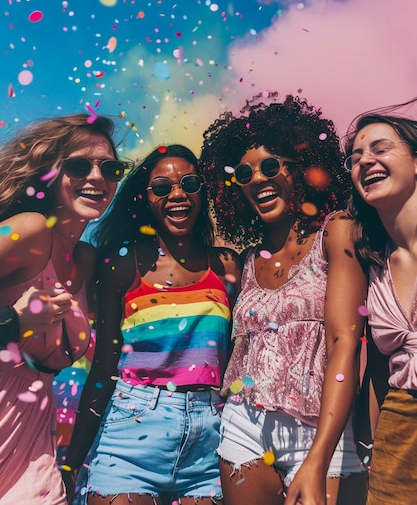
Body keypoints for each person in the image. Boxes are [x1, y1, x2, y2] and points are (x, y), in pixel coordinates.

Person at [199, 92, 368, 505]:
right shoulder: (245, 262)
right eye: (243, 174)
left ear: (303, 172)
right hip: (244, 426)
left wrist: (317, 456)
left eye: (270, 166)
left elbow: (343, 344)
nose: (257, 179)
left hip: (322, 431)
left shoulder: (336, 233)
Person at [63, 144, 241, 505]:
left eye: (189, 184)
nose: (177, 194)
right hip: (130, 434)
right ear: (146, 199)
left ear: (202, 192)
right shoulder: (122, 264)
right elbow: (103, 369)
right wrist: (70, 465)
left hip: (210, 441)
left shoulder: (227, 266)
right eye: (162, 187)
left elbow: (240, 361)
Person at [0, 113, 126, 504]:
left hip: (34, 445)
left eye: (110, 168)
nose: (96, 177)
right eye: (78, 165)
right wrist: (15, 320)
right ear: (50, 173)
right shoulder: (29, 229)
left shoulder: (88, 260)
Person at [343, 102, 417, 505]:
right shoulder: (374, 264)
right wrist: (367, 448)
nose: (365, 161)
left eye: (380, 149)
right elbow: (377, 369)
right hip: (397, 434)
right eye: (356, 158)